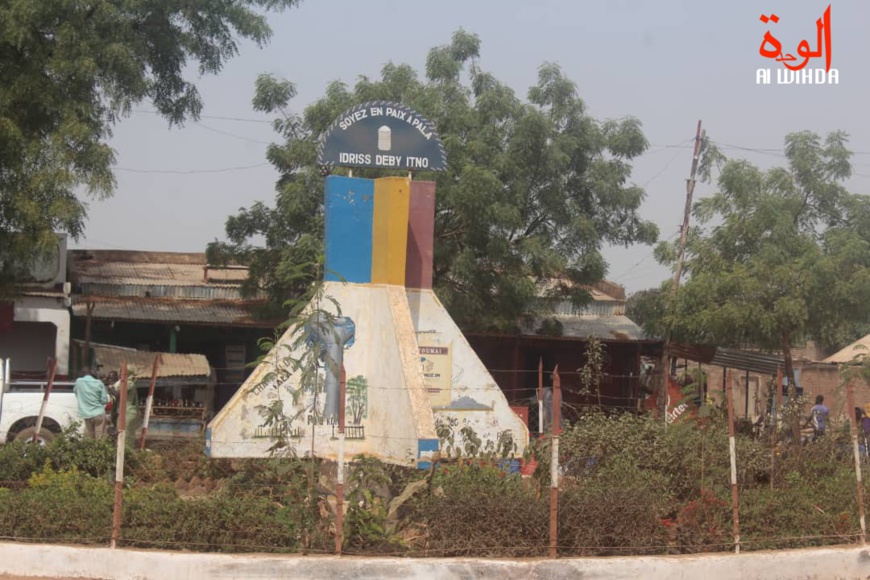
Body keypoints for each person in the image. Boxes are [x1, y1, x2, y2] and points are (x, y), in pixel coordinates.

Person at [73, 367, 109, 439]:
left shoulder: (78, 382)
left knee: (89, 437)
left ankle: (91, 450)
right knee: (100, 437)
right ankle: (99, 450)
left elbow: (76, 393)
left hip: (86, 413)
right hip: (99, 413)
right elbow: (104, 400)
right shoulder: (99, 383)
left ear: (82, 374)